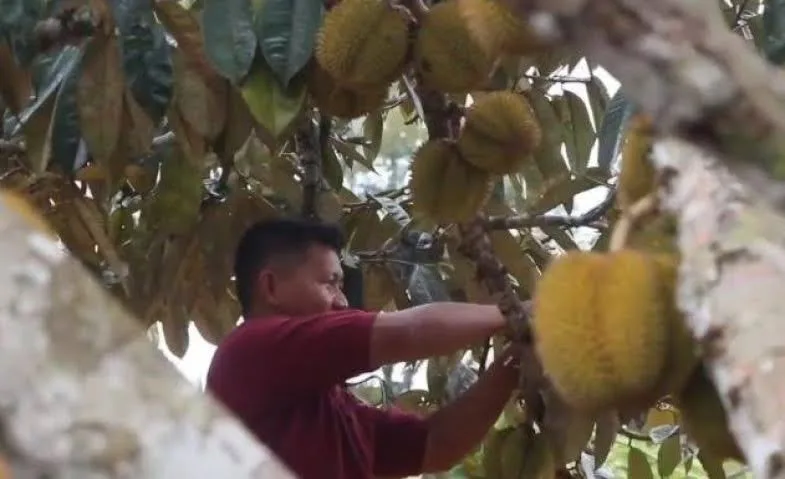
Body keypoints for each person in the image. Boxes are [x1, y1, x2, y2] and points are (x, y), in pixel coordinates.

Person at [206, 218, 522, 479]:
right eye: (329, 283)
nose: (342, 301)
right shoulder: (247, 352)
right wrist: (516, 315)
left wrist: (516, 358)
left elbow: (437, 446)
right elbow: (406, 332)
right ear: (271, 287)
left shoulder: (332, 406)